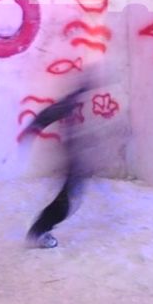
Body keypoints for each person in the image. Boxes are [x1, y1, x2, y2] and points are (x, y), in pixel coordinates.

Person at [21, 82, 92, 249]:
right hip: (74, 160)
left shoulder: (77, 100)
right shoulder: (73, 100)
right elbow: (55, 110)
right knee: (67, 201)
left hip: (77, 161)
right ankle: (38, 231)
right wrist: (34, 127)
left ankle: (40, 229)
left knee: (70, 199)